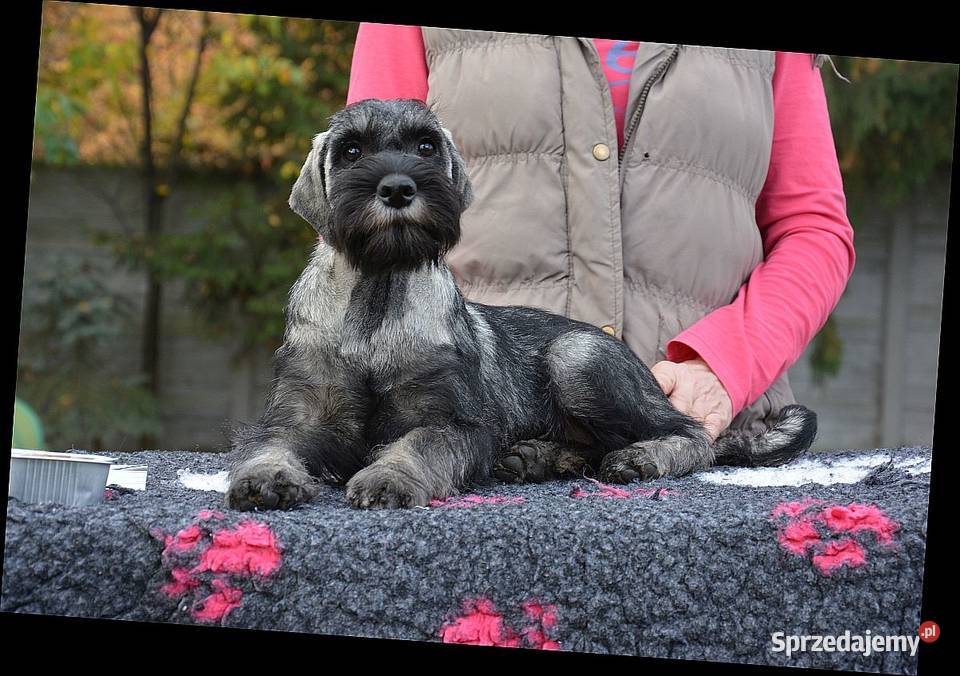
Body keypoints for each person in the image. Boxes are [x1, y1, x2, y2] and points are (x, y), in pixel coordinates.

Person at [344, 24, 855, 442]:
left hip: (706, 442)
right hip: (473, 440)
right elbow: (358, 223)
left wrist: (721, 366)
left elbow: (812, 229)